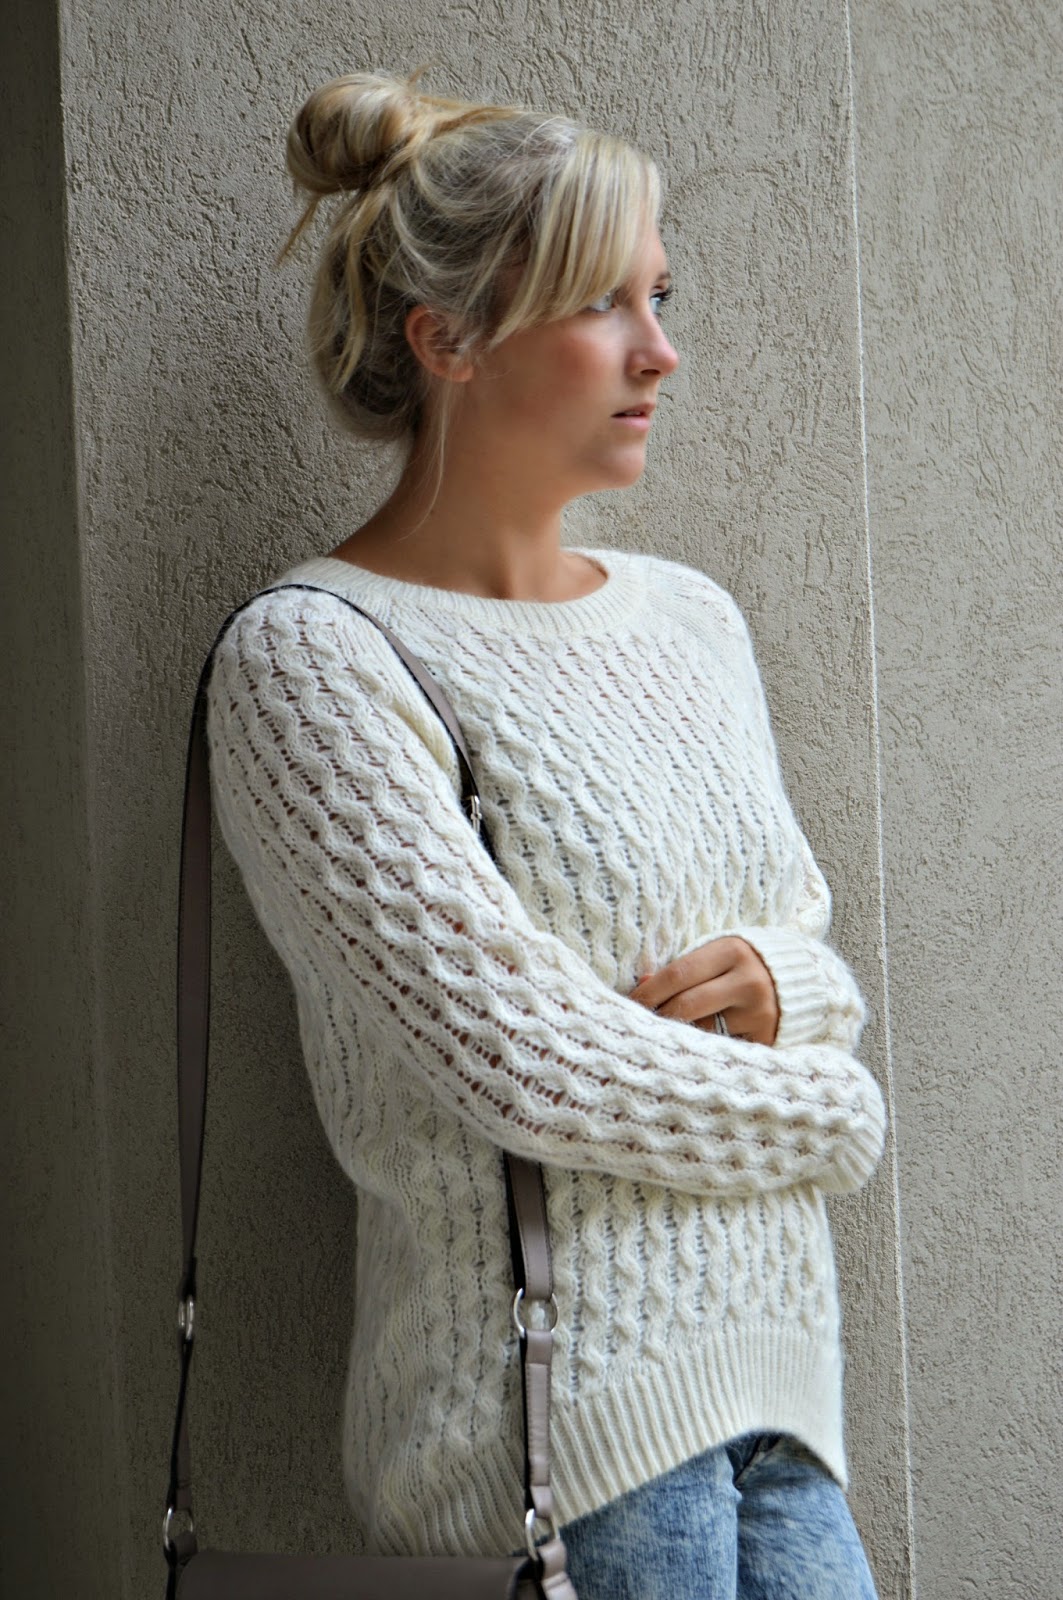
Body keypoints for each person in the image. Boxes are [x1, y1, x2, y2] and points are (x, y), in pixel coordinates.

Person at [206, 69, 887, 1600]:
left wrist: (791, 993)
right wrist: (833, 1113)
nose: (661, 351)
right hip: (567, 1446)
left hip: (786, 1393)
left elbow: (806, 953)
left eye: (661, 296)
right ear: (445, 339)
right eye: (603, 306)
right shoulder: (316, 658)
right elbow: (527, 1064)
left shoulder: (693, 623)